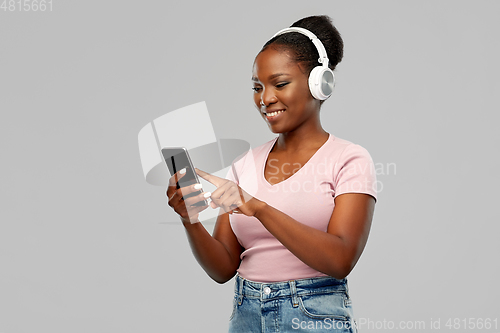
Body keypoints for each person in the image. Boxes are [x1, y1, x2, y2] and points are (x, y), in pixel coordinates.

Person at [167, 15, 377, 333]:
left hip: (313, 316)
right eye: (257, 87)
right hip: (246, 314)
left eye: (279, 84)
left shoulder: (349, 160)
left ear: (319, 83)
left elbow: (341, 259)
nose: (265, 99)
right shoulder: (245, 165)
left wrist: (259, 208)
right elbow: (224, 268)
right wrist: (190, 218)